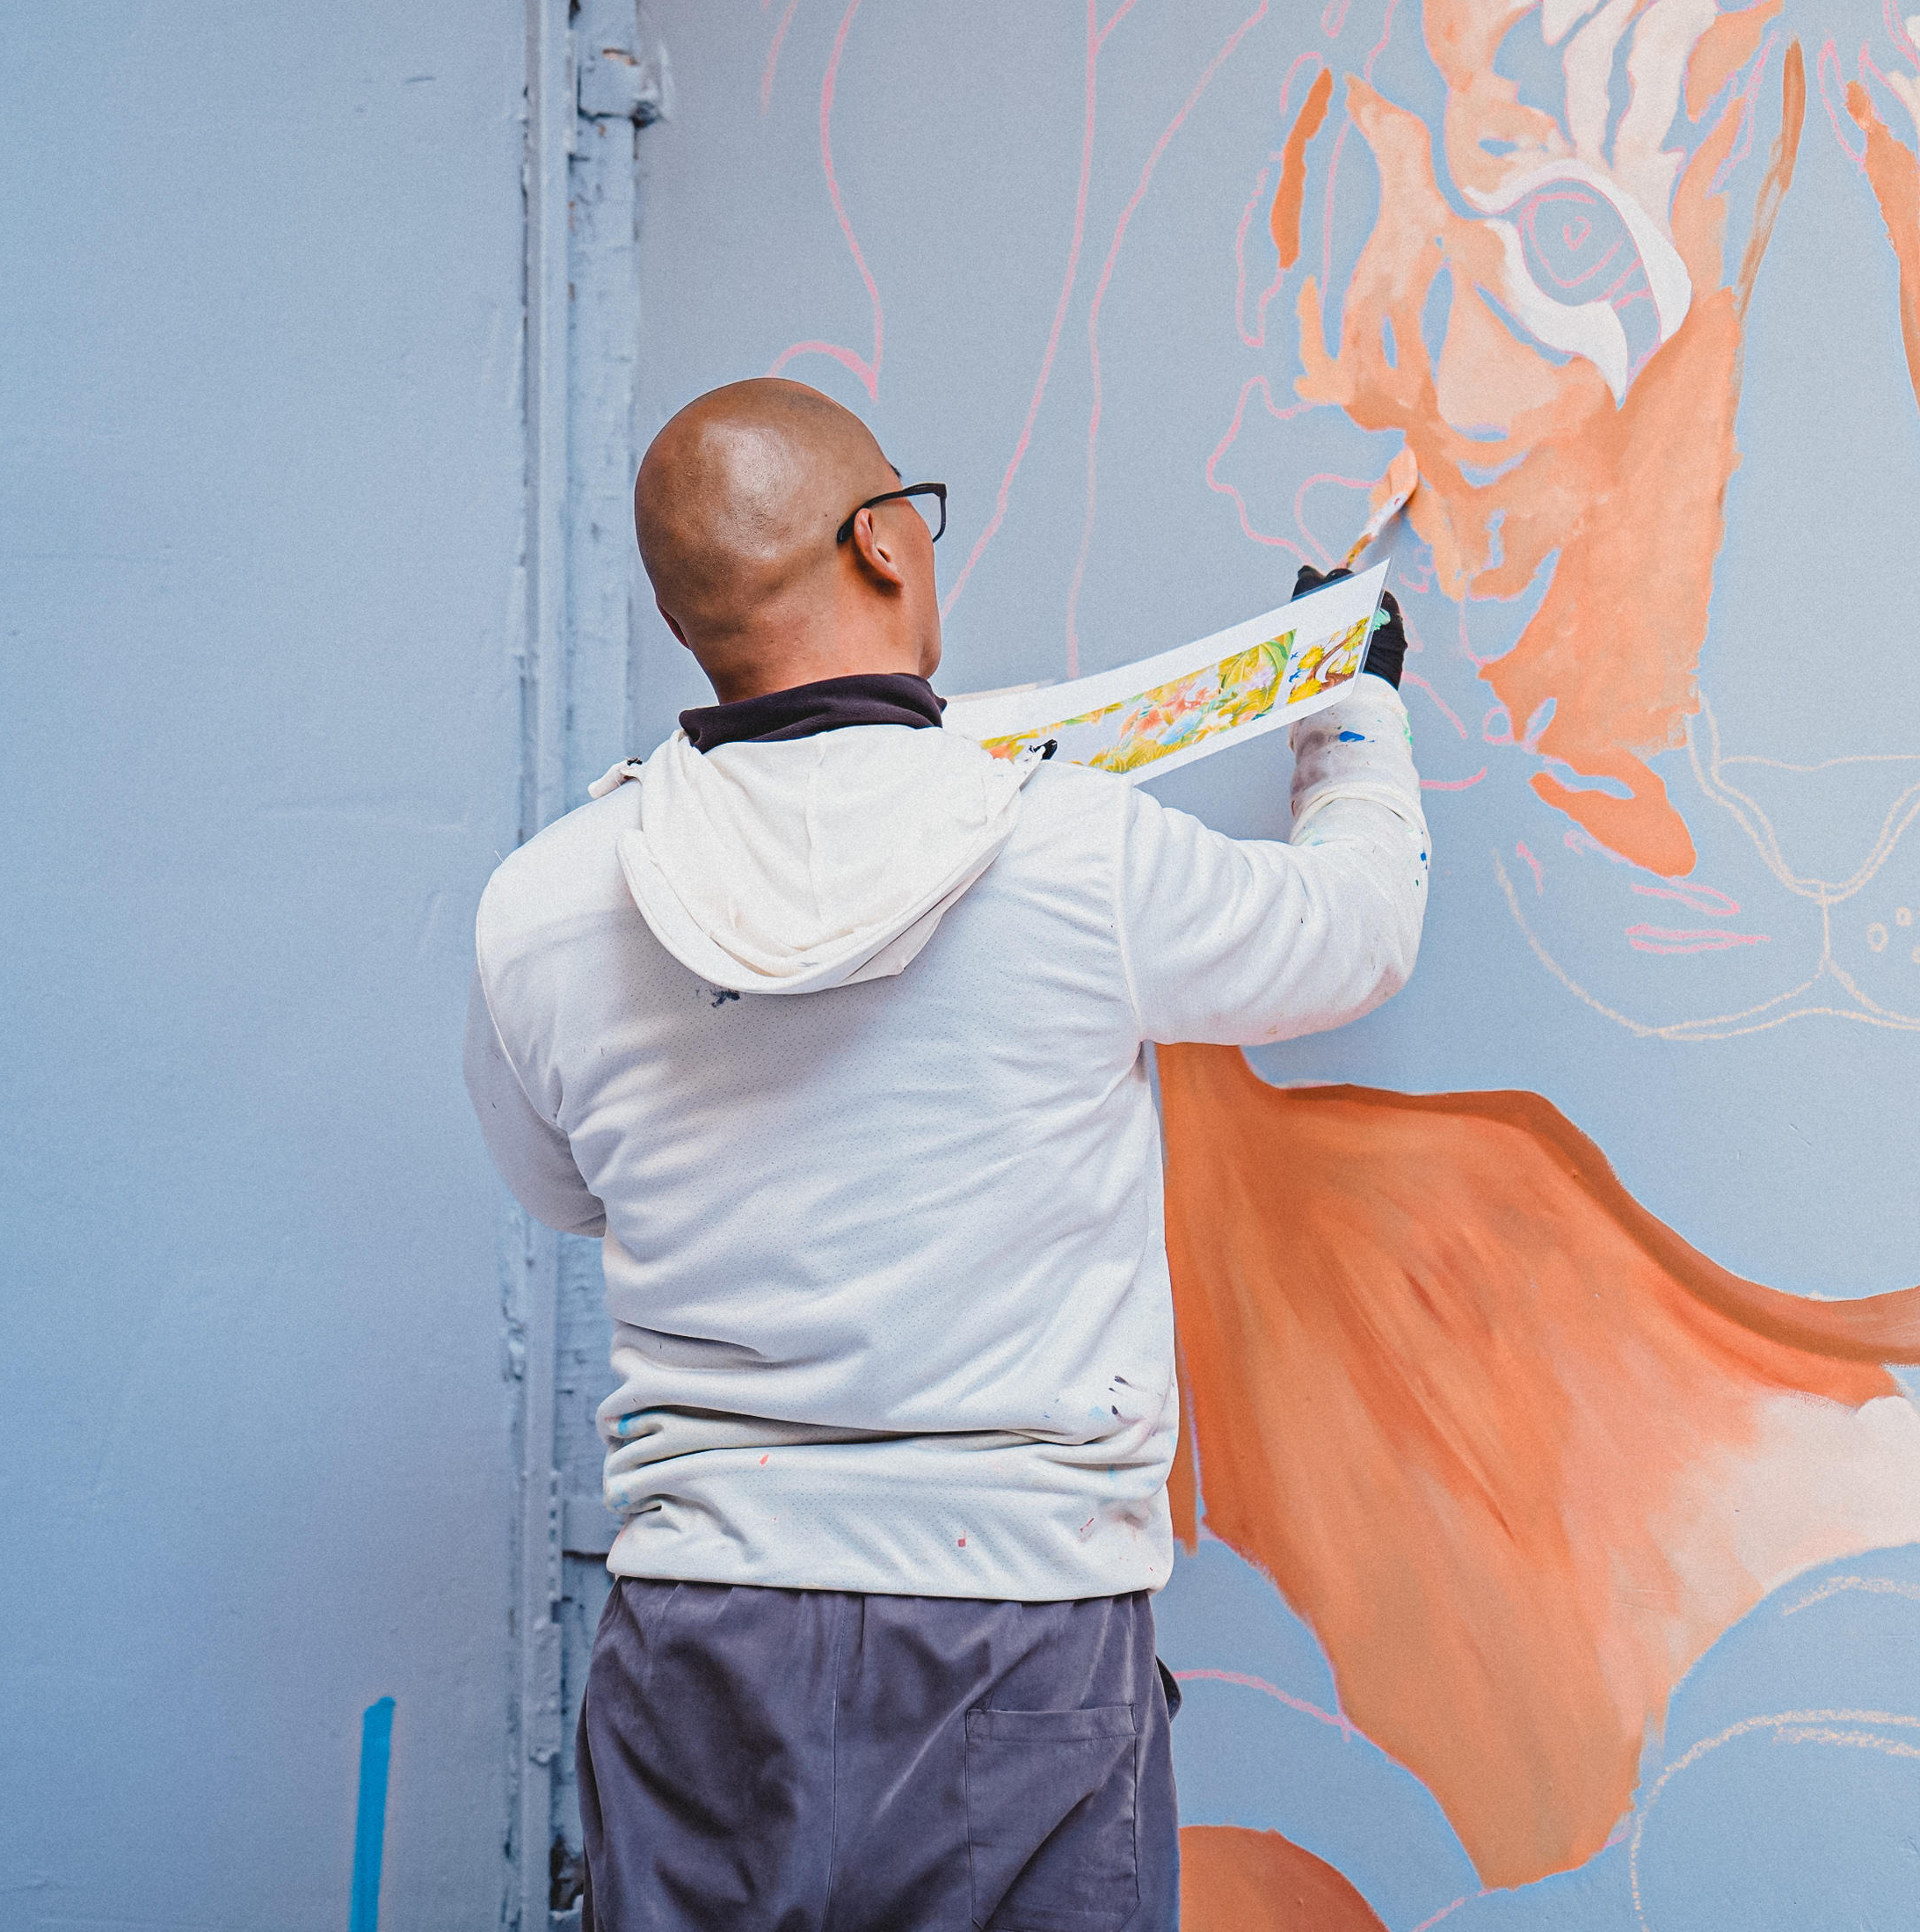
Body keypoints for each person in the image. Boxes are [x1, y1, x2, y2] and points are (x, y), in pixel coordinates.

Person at [462, 378, 1428, 1932]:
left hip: (700, 1640)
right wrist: (1353, 710)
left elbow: (563, 1190)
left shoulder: (545, 904)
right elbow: (1351, 934)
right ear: (879, 543)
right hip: (1018, 1621)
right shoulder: (1071, 852)